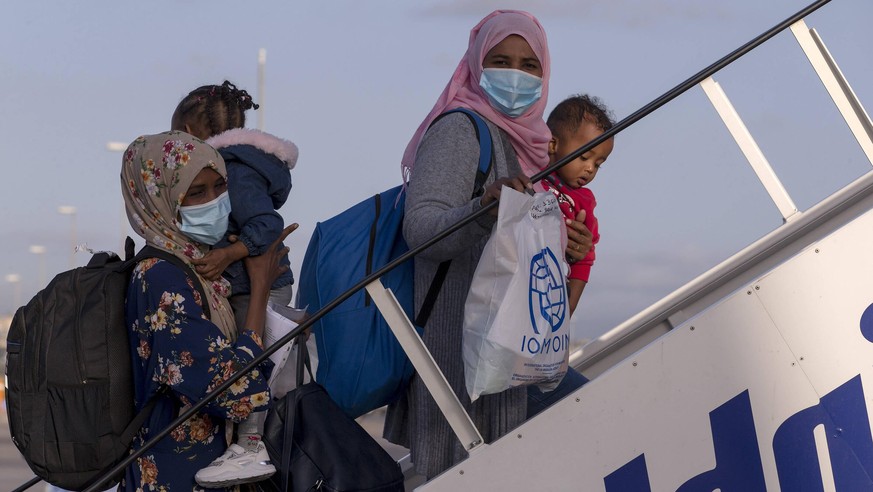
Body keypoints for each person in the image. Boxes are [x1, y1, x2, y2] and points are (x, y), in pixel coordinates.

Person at [382, 10, 594, 479]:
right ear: (477, 65)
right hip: (463, 359)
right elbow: (421, 229)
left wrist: (567, 247)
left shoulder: (536, 147)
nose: (515, 75)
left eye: (529, 65)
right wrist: (482, 207)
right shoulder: (461, 129)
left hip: (513, 359)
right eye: (501, 60)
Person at [120, 131, 296, 491]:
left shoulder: (200, 269)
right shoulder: (162, 277)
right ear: (159, 200)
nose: (215, 202)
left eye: (220, 187)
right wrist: (260, 288)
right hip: (176, 475)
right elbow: (234, 393)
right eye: (196, 193)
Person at [170, 81, 300, 487]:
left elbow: (266, 225)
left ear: (191, 131)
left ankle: (250, 446)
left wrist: (228, 254)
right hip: (249, 282)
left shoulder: (236, 170)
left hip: (261, 284)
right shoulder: (235, 165)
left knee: (253, 360)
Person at [544, 94, 616, 316]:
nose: (590, 169)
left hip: (547, 293)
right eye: (585, 157)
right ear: (553, 144)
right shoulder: (529, 175)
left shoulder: (584, 202)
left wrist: (568, 307)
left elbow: (585, 258)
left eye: (598, 164)